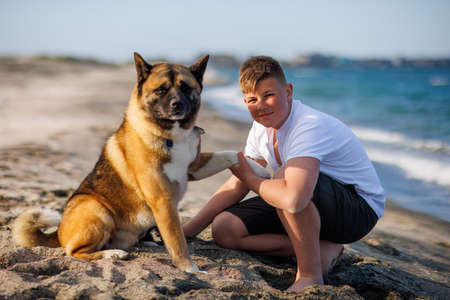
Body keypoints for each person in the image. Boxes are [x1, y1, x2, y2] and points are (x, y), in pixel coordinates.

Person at [183, 56, 385, 292]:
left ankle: (310, 274)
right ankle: (322, 251)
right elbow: (238, 183)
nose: (261, 105)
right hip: (311, 201)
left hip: (357, 210)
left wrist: (251, 179)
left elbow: (294, 198)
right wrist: (189, 230)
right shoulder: (261, 128)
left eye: (269, 95)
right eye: (252, 99)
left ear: (288, 91)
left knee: (283, 179)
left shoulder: (308, 125)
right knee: (225, 228)